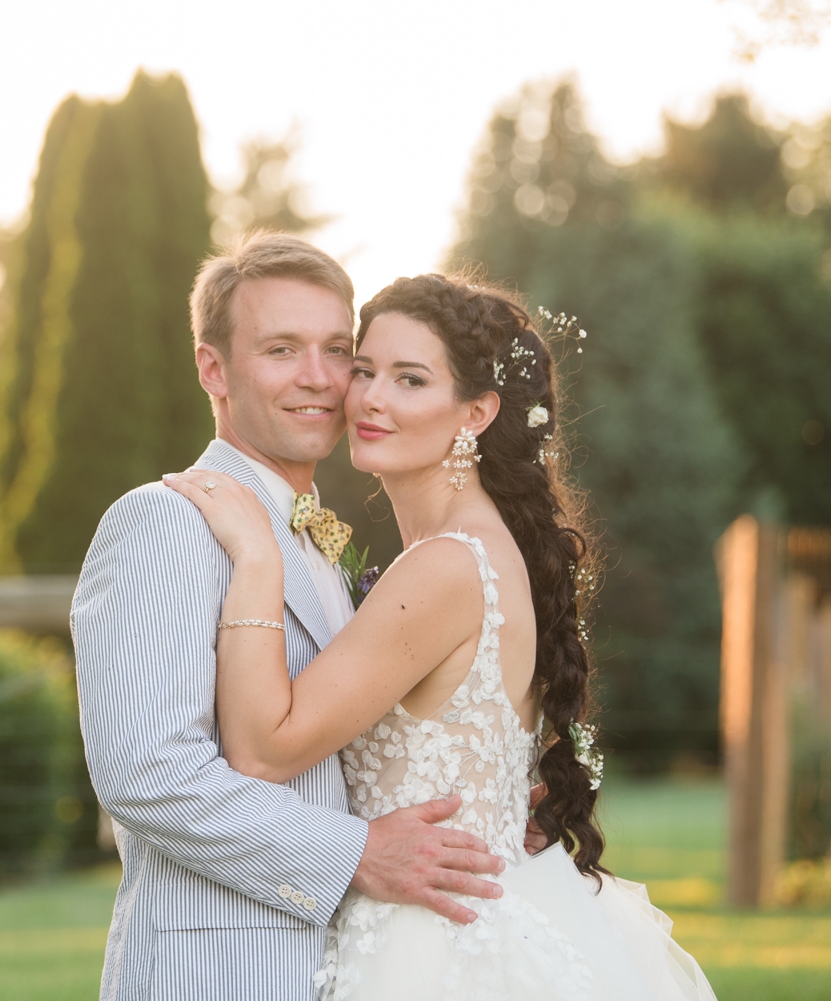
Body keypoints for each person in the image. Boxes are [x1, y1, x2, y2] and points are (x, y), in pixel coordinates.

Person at [163, 273, 716, 1000]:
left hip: (426, 948)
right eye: (364, 369)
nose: (369, 398)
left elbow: (264, 749)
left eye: (410, 379)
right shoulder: (473, 549)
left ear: (477, 411)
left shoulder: (446, 565)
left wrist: (259, 557)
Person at [73, 236, 523, 1001]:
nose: (319, 378)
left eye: (336, 350)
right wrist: (355, 853)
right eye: (281, 349)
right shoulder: (165, 523)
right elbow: (145, 771)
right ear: (213, 368)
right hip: (214, 976)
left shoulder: (322, 540)